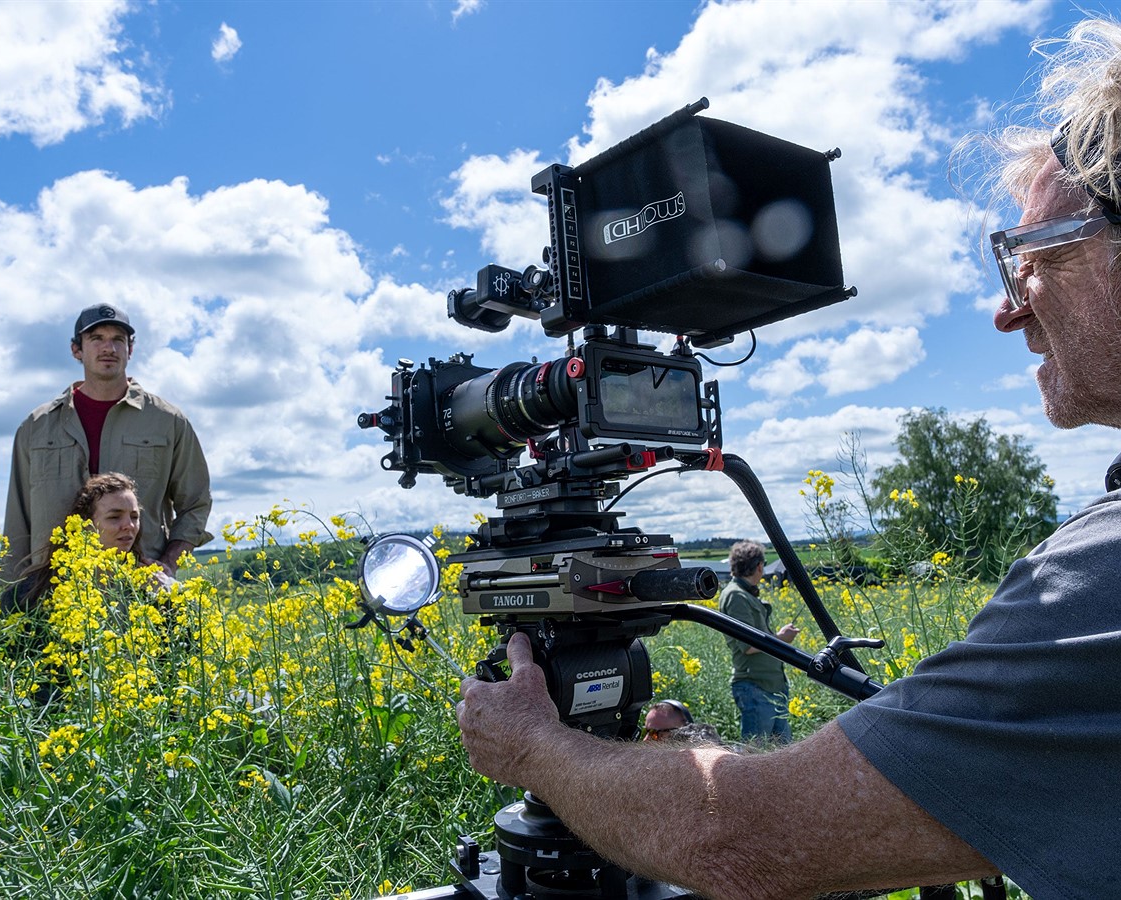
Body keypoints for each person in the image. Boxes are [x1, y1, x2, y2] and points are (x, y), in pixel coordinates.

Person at [457, 18, 1121, 898]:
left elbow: (747, 842)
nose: (1009, 312)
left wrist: (539, 748)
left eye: (1031, 256)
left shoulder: (1100, 583)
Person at [2, 303, 212, 583]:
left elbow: (196, 503)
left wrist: (168, 564)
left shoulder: (168, 421)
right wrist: (12, 596)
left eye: (118, 340)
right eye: (96, 339)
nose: (108, 348)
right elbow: (18, 517)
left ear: (130, 349)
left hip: (137, 590)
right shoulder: (37, 426)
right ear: (76, 349)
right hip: (51, 590)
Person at [4, 472, 175, 613]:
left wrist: (167, 595)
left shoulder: (152, 583)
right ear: (86, 525)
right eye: (114, 517)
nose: (129, 525)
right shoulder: (29, 595)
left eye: (134, 517)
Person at [719, 540, 799, 744]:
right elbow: (748, 645)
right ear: (759, 566)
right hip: (756, 687)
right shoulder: (736, 596)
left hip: (771, 686)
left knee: (781, 757)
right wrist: (782, 638)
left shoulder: (744, 593)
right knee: (755, 758)